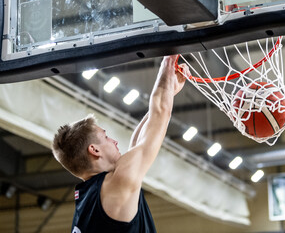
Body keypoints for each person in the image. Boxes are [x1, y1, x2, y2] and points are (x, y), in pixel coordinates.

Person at [52, 55, 189, 233]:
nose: (114, 141)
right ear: (94, 149)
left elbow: (137, 145)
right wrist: (168, 61)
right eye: (106, 137)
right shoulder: (115, 184)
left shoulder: (90, 195)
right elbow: (161, 112)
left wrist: (168, 91)